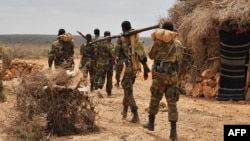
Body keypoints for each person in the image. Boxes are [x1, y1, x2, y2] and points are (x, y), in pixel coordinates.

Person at [143, 21, 183, 140]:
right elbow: (179, 59)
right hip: (172, 76)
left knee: (155, 98)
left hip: (159, 76)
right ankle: (173, 132)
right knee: (172, 103)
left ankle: (150, 124)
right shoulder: (178, 44)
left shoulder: (157, 43)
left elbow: (151, 56)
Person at [115, 20, 142, 123]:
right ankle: (125, 109)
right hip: (134, 67)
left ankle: (135, 114)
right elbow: (141, 53)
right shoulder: (136, 37)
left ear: (122, 28)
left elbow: (116, 52)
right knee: (127, 88)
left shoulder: (121, 39)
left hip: (125, 68)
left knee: (128, 90)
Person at [95, 31, 115, 96]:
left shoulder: (99, 44)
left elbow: (97, 54)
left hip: (100, 63)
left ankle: (99, 88)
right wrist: (114, 62)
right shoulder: (110, 45)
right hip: (108, 63)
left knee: (101, 76)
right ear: (109, 36)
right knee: (109, 77)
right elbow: (113, 54)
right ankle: (109, 92)